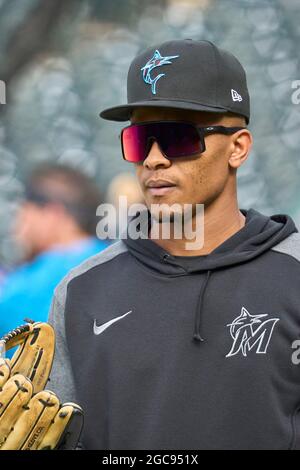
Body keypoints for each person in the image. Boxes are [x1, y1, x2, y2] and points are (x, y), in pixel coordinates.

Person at [48, 40, 300, 450]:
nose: (154, 159)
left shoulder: (293, 275)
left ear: (238, 147)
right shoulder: (80, 292)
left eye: (177, 138)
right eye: (140, 139)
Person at [0, 164, 108, 339]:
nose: (19, 225)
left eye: (25, 211)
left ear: (52, 213)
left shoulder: (22, 286)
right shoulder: (121, 262)